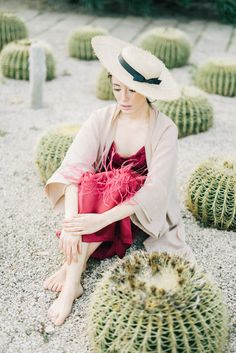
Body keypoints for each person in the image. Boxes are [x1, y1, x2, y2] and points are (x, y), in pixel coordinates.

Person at [43, 35, 196, 326]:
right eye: (116, 89)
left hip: (132, 210)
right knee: (91, 183)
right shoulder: (101, 117)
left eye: (132, 91)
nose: (123, 99)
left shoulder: (165, 130)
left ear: (148, 91)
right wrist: (72, 225)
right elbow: (73, 169)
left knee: (120, 181)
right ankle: (74, 277)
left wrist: (97, 221)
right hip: (95, 200)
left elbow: (155, 190)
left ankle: (72, 273)